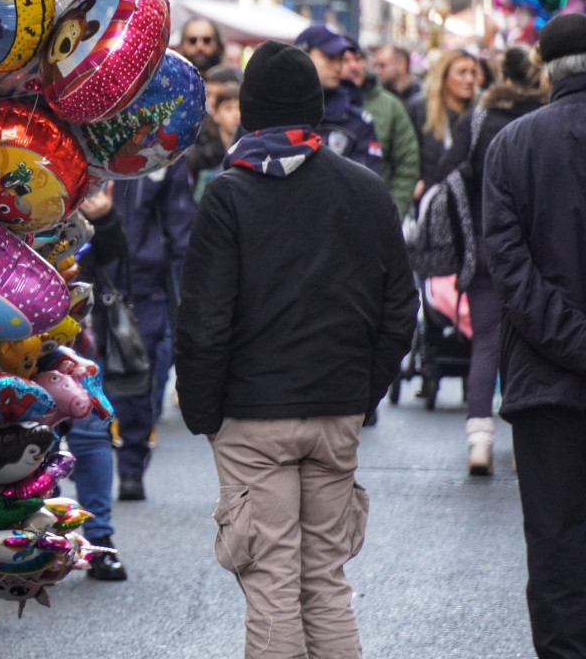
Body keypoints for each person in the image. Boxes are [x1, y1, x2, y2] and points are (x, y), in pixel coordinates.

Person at [175, 41, 418, 659]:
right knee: (326, 582)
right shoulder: (365, 191)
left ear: (251, 111)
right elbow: (399, 308)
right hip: (335, 407)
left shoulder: (230, 195)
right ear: (316, 108)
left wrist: (204, 414)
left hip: (254, 415)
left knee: (273, 586)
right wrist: (364, 392)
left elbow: (204, 320)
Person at [482, 13, 586, 658]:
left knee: (554, 544)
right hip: (553, 368)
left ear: (545, 67)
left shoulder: (513, 144)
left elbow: (509, 269)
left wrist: (572, 342)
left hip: (546, 380)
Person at [437, 46, 549, 476]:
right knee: (535, 342)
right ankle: (526, 444)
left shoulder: (479, 120)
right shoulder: (546, 120)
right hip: (539, 249)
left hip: (485, 246)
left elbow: (449, 174)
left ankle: (479, 442)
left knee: (486, 341)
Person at [109, 161, 191, 502]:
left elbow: (180, 226)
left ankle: (131, 464)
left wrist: (189, 294)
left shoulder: (164, 151)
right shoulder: (84, 132)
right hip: (85, 272)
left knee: (139, 379)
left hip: (145, 284)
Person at [65, 182, 128, 580]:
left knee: (90, 435)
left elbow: (111, 255)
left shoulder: (75, 177)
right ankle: (38, 542)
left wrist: (104, 217)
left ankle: (100, 540)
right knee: (31, 443)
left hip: (74, 334)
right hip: (5, 330)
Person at [342, 42, 421, 218]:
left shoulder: (390, 106)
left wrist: (392, 213)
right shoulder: (320, 104)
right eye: (345, 60)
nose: (353, 66)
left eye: (358, 58)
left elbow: (407, 163)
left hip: (375, 216)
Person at [295, 25, 382, 175]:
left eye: (339, 59)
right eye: (329, 57)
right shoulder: (273, 112)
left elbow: (366, 184)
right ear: (303, 56)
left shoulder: (358, 122)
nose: (338, 66)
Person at [407, 50, 481, 192]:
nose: (470, 79)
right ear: (444, 76)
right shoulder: (420, 108)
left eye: (473, 73)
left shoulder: (481, 111)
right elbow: (408, 154)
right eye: (462, 72)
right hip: (429, 192)